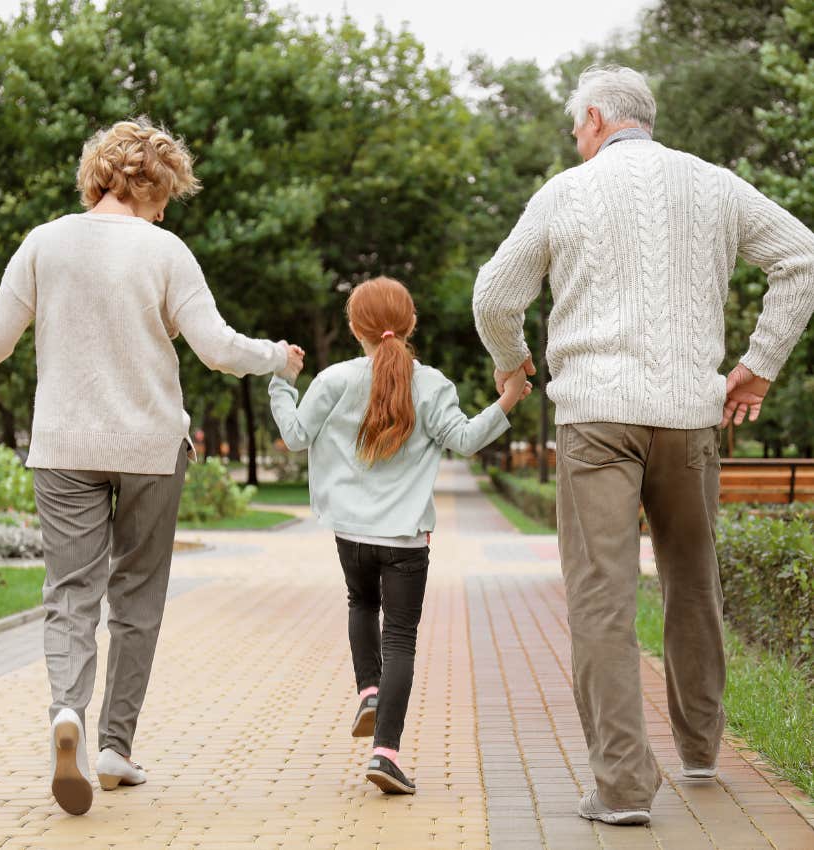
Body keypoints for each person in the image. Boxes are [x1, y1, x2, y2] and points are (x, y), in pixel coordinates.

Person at [473, 66, 814, 825]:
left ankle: (623, 790)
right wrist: (758, 366)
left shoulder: (566, 191)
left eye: (574, 127)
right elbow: (804, 259)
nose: (575, 139)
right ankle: (699, 750)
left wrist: (510, 359)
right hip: (691, 417)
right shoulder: (716, 185)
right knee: (693, 582)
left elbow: (495, 295)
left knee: (603, 598)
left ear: (595, 118)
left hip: (596, 420)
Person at [0, 118, 304, 816]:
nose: (165, 209)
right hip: (149, 449)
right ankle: (116, 747)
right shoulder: (165, 251)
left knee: (71, 592)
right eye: (167, 196)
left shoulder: (43, 243)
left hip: (63, 447)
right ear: (157, 188)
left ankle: (68, 715)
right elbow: (216, 348)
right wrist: (277, 355)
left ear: (97, 177)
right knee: (137, 599)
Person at [269, 276, 530, 794]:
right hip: (406, 540)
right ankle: (384, 754)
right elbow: (466, 440)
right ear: (410, 323)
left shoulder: (334, 379)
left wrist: (281, 382)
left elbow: (295, 436)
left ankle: (369, 690)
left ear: (353, 327)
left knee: (360, 605)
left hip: (351, 533)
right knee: (401, 639)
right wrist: (510, 398)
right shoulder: (432, 383)